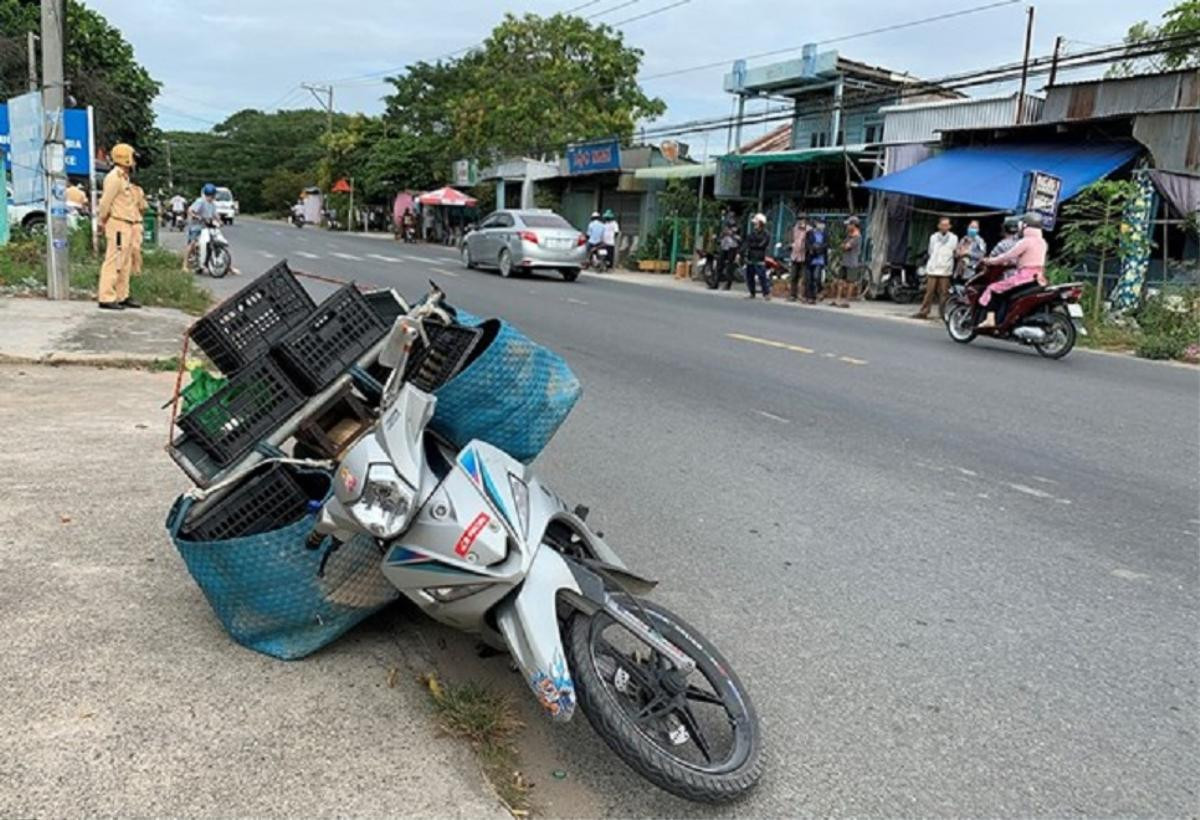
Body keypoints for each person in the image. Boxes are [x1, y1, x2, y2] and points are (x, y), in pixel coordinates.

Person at [977, 213, 1049, 329]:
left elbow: (1007, 256)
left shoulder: (1026, 241)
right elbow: (1031, 259)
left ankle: (990, 319)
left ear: (1024, 226)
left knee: (994, 288)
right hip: (1038, 277)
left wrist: (989, 261)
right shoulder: (1042, 242)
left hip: (1024, 277)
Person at [96, 142, 141, 311]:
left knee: (125, 261)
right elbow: (105, 202)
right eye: (133, 158)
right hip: (118, 224)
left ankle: (122, 295)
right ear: (126, 158)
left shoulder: (124, 177)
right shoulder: (114, 178)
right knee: (114, 260)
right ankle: (106, 296)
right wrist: (101, 221)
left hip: (127, 224)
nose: (135, 162)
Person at [912, 216, 957, 320]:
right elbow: (930, 251)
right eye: (943, 225)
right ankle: (924, 311)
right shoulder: (933, 237)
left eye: (947, 225)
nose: (944, 227)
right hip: (933, 268)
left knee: (943, 293)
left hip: (945, 269)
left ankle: (943, 314)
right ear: (939, 226)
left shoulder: (954, 238)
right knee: (929, 291)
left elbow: (953, 252)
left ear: (950, 226)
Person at [184, 183, 219, 272]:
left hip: (206, 227)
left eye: (212, 195)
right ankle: (184, 265)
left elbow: (215, 215)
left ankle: (206, 262)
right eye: (210, 195)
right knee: (192, 243)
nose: (211, 197)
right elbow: (190, 211)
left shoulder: (213, 204)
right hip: (196, 226)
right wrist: (197, 216)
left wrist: (219, 220)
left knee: (214, 242)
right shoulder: (200, 201)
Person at [832, 216, 863, 309]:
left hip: (852, 262)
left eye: (849, 224)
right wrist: (844, 245)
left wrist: (844, 245)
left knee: (850, 282)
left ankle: (846, 301)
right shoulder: (849, 235)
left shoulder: (857, 237)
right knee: (840, 280)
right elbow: (843, 245)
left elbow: (846, 246)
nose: (848, 227)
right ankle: (837, 299)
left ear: (854, 225)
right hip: (845, 261)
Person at [741, 213, 771, 300]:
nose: (754, 225)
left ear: (761, 223)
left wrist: (753, 245)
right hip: (751, 257)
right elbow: (747, 243)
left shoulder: (766, 234)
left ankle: (766, 293)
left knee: (762, 277)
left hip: (759, 258)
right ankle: (752, 292)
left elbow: (762, 245)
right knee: (749, 276)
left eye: (756, 223)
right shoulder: (752, 234)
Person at [804, 218, 829, 304]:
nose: (822, 225)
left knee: (816, 278)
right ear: (816, 224)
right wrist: (812, 248)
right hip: (811, 258)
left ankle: (817, 293)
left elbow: (826, 245)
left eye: (823, 224)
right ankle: (809, 296)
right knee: (809, 279)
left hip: (820, 259)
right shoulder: (810, 233)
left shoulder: (825, 234)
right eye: (820, 223)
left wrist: (819, 248)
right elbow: (807, 244)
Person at [787, 214, 808, 301]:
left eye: (802, 219)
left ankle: (801, 295)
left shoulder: (809, 230)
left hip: (804, 256)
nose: (800, 221)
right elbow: (790, 239)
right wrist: (790, 244)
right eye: (799, 219)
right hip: (795, 255)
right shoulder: (794, 228)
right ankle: (793, 295)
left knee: (803, 277)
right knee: (793, 276)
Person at [130, 180, 147, 276]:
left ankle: (122, 271)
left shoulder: (114, 187)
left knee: (119, 247)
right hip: (136, 223)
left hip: (119, 225)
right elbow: (143, 207)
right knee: (136, 247)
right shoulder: (138, 190)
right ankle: (136, 271)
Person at [716, 223, 740, 290]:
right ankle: (715, 283)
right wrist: (722, 235)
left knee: (730, 267)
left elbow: (739, 238)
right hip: (724, 246)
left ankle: (728, 285)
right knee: (719, 266)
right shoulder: (725, 223)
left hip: (732, 247)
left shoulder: (738, 225)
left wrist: (731, 233)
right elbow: (721, 235)